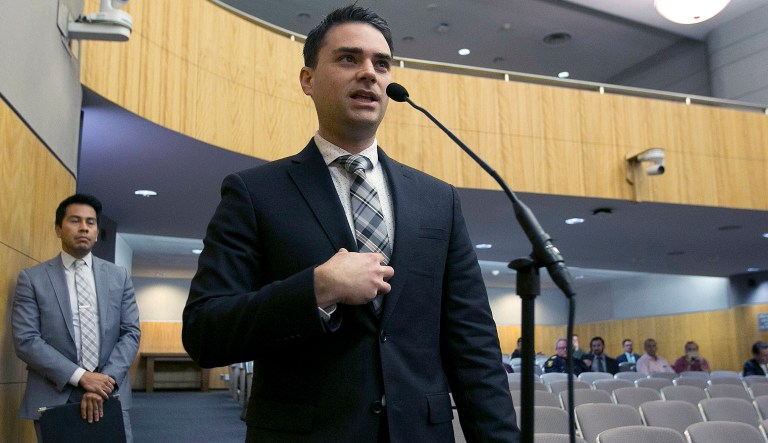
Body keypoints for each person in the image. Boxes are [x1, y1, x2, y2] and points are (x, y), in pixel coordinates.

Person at [181, 5, 519, 442]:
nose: (369, 74)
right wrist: (317, 289)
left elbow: (474, 348)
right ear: (308, 80)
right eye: (348, 59)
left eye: (381, 64)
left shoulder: (438, 200)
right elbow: (206, 332)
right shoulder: (255, 193)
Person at [11, 194, 141, 442]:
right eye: (75, 220)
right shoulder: (32, 279)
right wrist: (82, 377)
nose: (84, 227)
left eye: (91, 222)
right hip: (55, 392)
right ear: (58, 229)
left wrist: (105, 382)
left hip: (109, 392)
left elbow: (130, 333)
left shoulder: (119, 276)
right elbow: (26, 340)